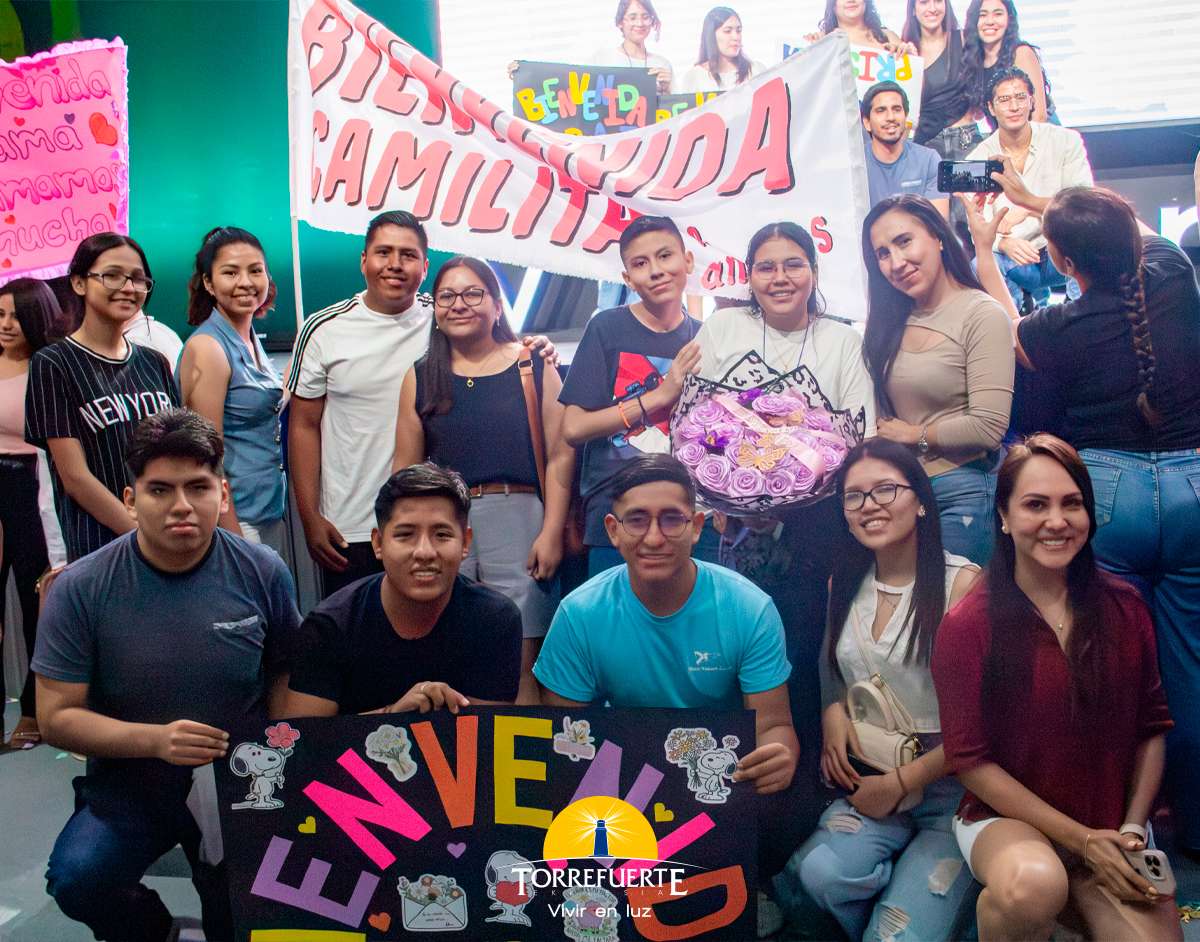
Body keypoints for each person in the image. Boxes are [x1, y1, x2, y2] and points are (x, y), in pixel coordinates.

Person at [964, 180, 1200, 857]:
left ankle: (1114, 819)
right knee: (1190, 670)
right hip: (1192, 484)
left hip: (1109, 494)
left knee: (1113, 662)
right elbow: (1123, 231)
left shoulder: (1055, 328)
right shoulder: (1171, 273)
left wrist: (986, 249)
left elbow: (1006, 328)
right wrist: (1040, 200)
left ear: (1063, 262)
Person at [33, 408, 303, 942]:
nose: (181, 505)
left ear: (222, 494)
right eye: (160, 490)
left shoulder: (263, 570)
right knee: (79, 879)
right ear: (131, 500)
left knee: (241, 921)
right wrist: (156, 741)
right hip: (131, 780)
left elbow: (287, 677)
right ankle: (158, 930)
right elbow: (55, 717)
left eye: (197, 487)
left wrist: (281, 760)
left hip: (241, 778)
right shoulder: (81, 588)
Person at [932, 435, 1181, 942]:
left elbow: (1152, 727)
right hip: (1006, 823)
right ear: (1003, 517)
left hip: (1112, 826)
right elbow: (969, 760)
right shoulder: (968, 624)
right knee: (1033, 887)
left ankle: (1072, 910)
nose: (1057, 520)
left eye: (1072, 503)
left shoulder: (1126, 607)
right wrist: (1081, 840)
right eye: (1035, 505)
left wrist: (1131, 831)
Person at [774, 438, 979, 940]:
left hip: (954, 787)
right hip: (870, 773)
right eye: (854, 496)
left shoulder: (963, 586)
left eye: (886, 489)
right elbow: (830, 662)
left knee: (898, 934)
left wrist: (903, 782)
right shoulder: (844, 580)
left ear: (921, 500)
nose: (869, 505)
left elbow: (986, 720)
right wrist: (832, 711)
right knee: (817, 875)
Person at [288, 211, 553, 597]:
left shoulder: (443, 314)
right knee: (361, 627)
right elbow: (303, 425)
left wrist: (537, 346)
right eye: (383, 252)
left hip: (431, 523)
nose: (395, 264)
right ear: (364, 260)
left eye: (408, 255)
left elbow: (496, 347)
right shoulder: (323, 328)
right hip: (349, 524)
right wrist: (310, 516)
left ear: (425, 266)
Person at [690, 221, 875, 756]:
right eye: (765, 267)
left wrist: (800, 483)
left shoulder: (842, 339)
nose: (780, 278)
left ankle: (808, 770)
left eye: (793, 264)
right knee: (734, 649)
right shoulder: (723, 328)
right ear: (748, 276)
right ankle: (729, 765)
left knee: (806, 648)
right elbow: (696, 419)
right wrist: (723, 495)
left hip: (818, 526)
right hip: (734, 523)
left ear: (814, 271)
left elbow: (859, 430)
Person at [392, 257, 574, 704]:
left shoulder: (533, 364)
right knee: (450, 656)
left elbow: (560, 454)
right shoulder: (420, 375)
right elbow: (405, 473)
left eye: (473, 293)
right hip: (446, 526)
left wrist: (551, 531)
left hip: (521, 521)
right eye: (447, 296)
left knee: (521, 661)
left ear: (496, 305)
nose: (459, 304)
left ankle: (526, 746)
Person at [281, 464, 523, 717]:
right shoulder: (330, 626)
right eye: (405, 535)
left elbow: (488, 733)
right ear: (378, 543)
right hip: (357, 746)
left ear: (466, 543)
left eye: (442, 535)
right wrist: (393, 716)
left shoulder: (495, 619)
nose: (424, 552)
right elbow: (304, 737)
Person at [862, 194, 1014, 565]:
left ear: (938, 237)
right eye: (883, 253)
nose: (896, 262)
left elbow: (989, 426)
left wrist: (915, 435)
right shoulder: (889, 320)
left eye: (904, 241)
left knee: (951, 601)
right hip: (900, 494)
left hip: (963, 491)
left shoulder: (981, 314)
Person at [559, 215, 712, 577]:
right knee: (614, 611)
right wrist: (658, 397)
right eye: (641, 263)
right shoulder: (606, 327)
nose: (656, 271)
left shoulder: (707, 337)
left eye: (665, 256)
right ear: (627, 278)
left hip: (688, 511)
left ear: (688, 261)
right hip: (616, 511)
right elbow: (574, 428)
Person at [25, 233, 181, 563]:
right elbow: (75, 478)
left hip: (168, 535)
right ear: (79, 283)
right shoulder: (53, 363)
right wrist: (142, 536)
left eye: (138, 278)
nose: (128, 287)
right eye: (112, 275)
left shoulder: (154, 362)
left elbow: (178, 451)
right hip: (102, 547)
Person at [179, 227, 285, 553]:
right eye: (230, 272)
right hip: (238, 520)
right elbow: (206, 453)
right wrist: (233, 534)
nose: (245, 282)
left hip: (266, 509)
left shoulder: (249, 338)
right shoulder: (209, 347)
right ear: (209, 283)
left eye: (256, 271)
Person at [968, 67, 1093, 311]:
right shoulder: (978, 158)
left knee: (1088, 240)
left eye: (1020, 97)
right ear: (991, 108)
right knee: (981, 264)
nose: (1014, 106)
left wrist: (1026, 207)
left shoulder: (1065, 141)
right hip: (1017, 258)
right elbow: (978, 226)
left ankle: (1082, 316)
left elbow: (1083, 206)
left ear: (1032, 101)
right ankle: (1014, 325)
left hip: (1062, 250)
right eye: (1005, 100)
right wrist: (1003, 243)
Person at [0, 278, 64, 748]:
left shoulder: (49, 366)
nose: (6, 325)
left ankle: (34, 710)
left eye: (16, 316)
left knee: (34, 597)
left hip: (33, 483)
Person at [902, 0, 982, 160]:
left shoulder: (964, 39)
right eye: (924, 2)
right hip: (926, 144)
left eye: (938, 1)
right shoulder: (906, 52)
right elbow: (908, 107)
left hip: (964, 138)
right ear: (913, 9)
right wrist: (911, 63)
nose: (932, 8)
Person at [861, 81, 948, 218]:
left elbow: (938, 222)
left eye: (897, 109)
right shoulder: (856, 164)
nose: (890, 117)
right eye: (881, 110)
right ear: (867, 123)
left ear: (906, 116)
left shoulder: (929, 160)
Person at [962, 0, 1056, 127]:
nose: (990, 21)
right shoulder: (974, 63)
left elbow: (1039, 117)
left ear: (1009, 19)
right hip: (1005, 136)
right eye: (982, 15)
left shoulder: (1021, 53)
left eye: (998, 14)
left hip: (1039, 134)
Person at [676, 6, 766, 93]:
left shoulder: (756, 70)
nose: (736, 37)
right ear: (711, 36)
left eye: (738, 31)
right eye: (727, 31)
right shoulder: (695, 77)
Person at [588, 0, 672, 93]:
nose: (640, 23)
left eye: (645, 17)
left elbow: (674, 100)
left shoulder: (662, 64)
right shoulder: (602, 59)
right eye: (632, 18)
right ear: (620, 22)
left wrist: (666, 90)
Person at [808, 0, 912, 52]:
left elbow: (911, 79)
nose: (851, 0)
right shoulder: (820, 40)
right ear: (833, 4)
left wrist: (907, 55)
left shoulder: (888, 37)